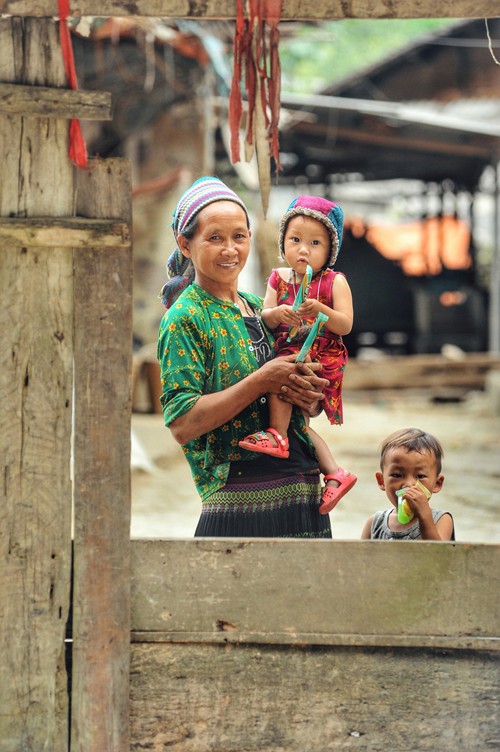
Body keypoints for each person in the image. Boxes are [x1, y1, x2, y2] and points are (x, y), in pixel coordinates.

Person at [157, 176, 333, 538]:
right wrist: (263, 380)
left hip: (304, 494)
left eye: (239, 236)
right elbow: (182, 424)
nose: (230, 249)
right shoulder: (186, 318)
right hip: (237, 502)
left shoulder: (260, 308)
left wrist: (309, 396)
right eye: (214, 238)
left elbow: (299, 404)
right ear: (185, 244)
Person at [238, 195, 357, 514]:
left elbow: (345, 325)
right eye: (295, 239)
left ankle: (278, 437)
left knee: (282, 379)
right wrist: (278, 314)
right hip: (290, 354)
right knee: (299, 424)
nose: (303, 249)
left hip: (320, 360)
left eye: (315, 242)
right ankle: (334, 473)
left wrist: (321, 309)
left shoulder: (335, 282)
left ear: (330, 250)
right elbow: (263, 316)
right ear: (283, 242)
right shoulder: (279, 277)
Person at [361, 428, 455, 541]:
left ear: (437, 484)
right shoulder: (375, 524)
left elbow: (436, 555)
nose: (409, 484)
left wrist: (425, 516)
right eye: (397, 475)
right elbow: (361, 557)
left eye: (420, 476)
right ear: (381, 481)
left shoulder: (441, 520)